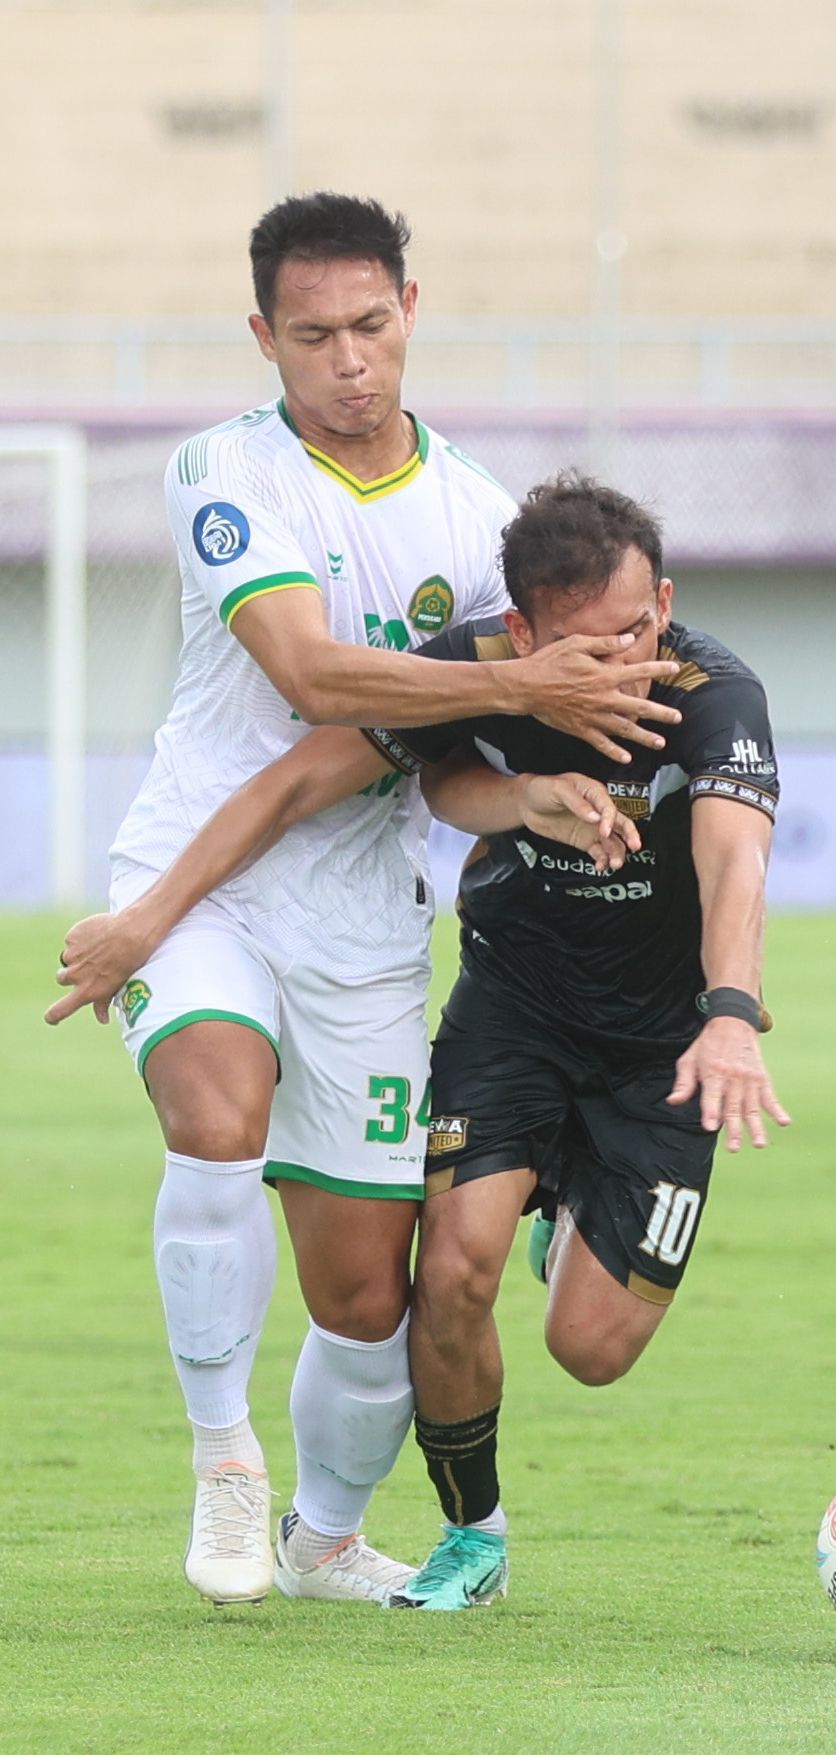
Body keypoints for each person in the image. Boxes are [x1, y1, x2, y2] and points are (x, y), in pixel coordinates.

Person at [71, 193, 682, 1610]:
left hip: (365, 915)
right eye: (311, 336)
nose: (347, 360)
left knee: (366, 1303)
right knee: (213, 1117)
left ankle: (325, 1538)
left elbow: (444, 764)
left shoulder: (476, 519)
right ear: (262, 340)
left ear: (411, 308)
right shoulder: (223, 473)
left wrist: (525, 793)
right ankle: (226, 1473)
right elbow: (312, 680)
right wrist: (522, 683)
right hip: (204, 879)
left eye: (368, 325)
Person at [49, 474, 788, 1611]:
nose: (630, 660)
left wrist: (731, 1015)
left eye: (644, 627)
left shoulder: (715, 696)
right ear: (526, 632)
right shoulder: (470, 667)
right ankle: (474, 1536)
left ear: (668, 601)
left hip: (661, 1051)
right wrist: (144, 922)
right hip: (516, 1018)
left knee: (592, 1347)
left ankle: (576, 1204)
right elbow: (299, 781)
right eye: (594, 646)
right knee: (448, 1274)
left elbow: (735, 860)